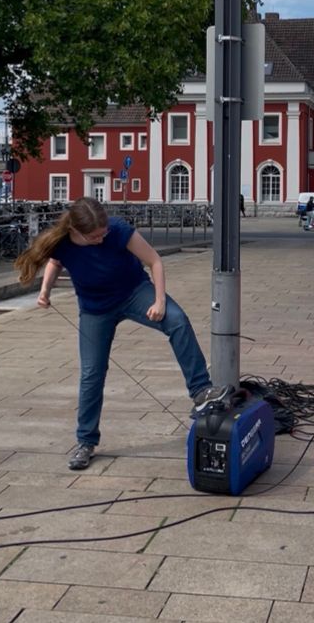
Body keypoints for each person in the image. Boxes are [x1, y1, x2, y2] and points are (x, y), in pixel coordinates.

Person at [15, 197, 227, 471]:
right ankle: (85, 441)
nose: (101, 238)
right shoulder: (62, 241)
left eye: (103, 233)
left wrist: (160, 301)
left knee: (177, 320)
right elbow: (55, 263)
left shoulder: (117, 229)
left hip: (134, 292)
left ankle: (200, 389)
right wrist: (45, 291)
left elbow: (155, 261)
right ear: (76, 231)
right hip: (95, 309)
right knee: (92, 374)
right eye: (94, 236)